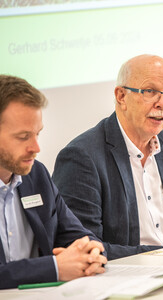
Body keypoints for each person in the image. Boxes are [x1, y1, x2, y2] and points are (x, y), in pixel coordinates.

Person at [52, 55, 163, 260]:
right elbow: (83, 246)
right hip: (123, 278)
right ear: (121, 96)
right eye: (150, 91)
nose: (162, 103)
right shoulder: (82, 157)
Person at [0, 75, 107, 289]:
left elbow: (77, 235)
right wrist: (54, 268)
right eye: (23, 137)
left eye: (37, 134)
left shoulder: (36, 174)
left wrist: (92, 252)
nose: (36, 148)